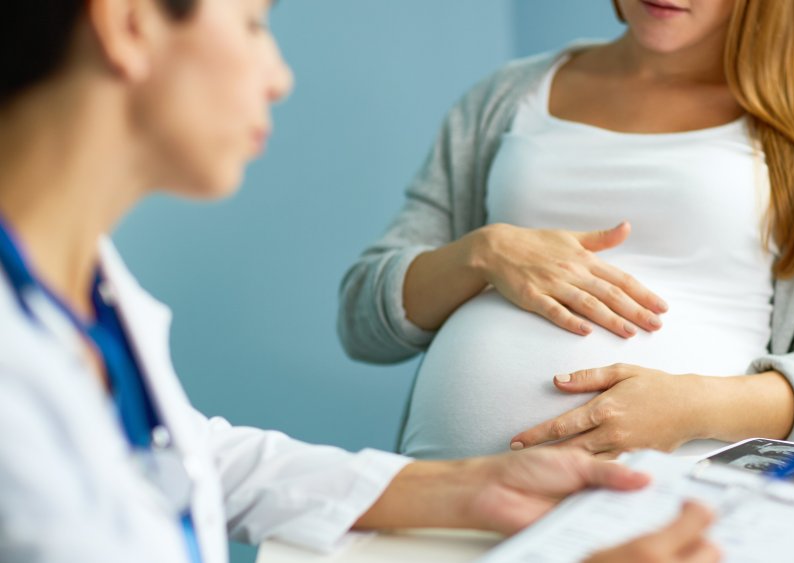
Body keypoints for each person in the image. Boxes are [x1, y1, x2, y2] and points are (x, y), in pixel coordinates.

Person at [0, 1, 720, 562]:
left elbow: (183, 456)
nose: (278, 76)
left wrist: (467, 487)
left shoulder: (81, 282)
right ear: (128, 25)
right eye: (253, 24)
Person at [339, 0, 794, 459]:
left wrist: (692, 407)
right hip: (445, 512)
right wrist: (482, 253)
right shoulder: (505, 97)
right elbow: (363, 321)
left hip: (676, 520)